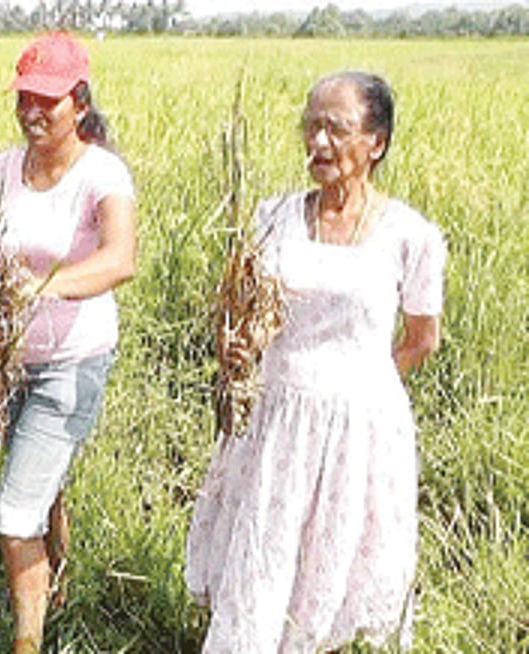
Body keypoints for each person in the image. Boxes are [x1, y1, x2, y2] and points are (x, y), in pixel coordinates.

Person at [185, 71, 447, 652]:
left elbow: (422, 338)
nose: (319, 143)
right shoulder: (271, 217)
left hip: (360, 433)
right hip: (274, 420)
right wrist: (241, 346)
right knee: (264, 556)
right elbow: (252, 314)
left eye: (337, 129)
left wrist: (363, 391)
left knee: (335, 569)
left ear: (375, 142)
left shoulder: (411, 236)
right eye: (312, 126)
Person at [0, 31, 137, 654]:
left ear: (78, 101)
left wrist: (43, 287)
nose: (33, 112)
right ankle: (59, 584)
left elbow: (119, 260)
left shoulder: (101, 172)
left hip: (72, 363)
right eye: (25, 98)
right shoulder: (3, 168)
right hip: (11, 359)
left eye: (47, 100)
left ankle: (27, 643)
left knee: (14, 517)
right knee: (46, 486)